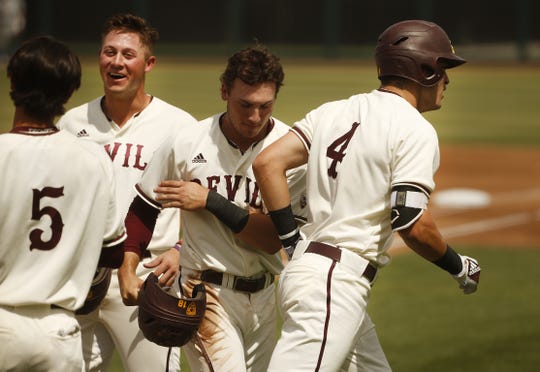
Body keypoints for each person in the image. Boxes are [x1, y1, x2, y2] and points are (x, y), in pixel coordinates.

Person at [253, 20, 482, 371]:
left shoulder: (332, 111)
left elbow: (268, 162)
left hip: (309, 274)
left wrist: (289, 241)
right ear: (422, 69)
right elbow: (411, 223)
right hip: (334, 286)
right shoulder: (415, 129)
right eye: (442, 67)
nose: (447, 79)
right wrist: (459, 267)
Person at [119, 44, 307, 371]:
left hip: (264, 298)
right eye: (244, 105)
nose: (254, 117)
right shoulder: (190, 141)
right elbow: (145, 206)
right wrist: (127, 265)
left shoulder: (290, 151)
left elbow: (273, 239)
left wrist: (210, 200)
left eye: (265, 106)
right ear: (224, 91)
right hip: (203, 293)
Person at [56, 13, 198, 372]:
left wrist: (182, 250)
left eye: (127, 54)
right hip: (80, 276)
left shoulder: (179, 127)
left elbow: (205, 200)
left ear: (148, 63)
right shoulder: (72, 124)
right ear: (98, 58)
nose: (116, 62)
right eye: (109, 52)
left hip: (147, 278)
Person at [0, 35, 126, 371]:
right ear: (68, 93)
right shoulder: (94, 158)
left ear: (12, 82)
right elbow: (113, 253)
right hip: (61, 333)